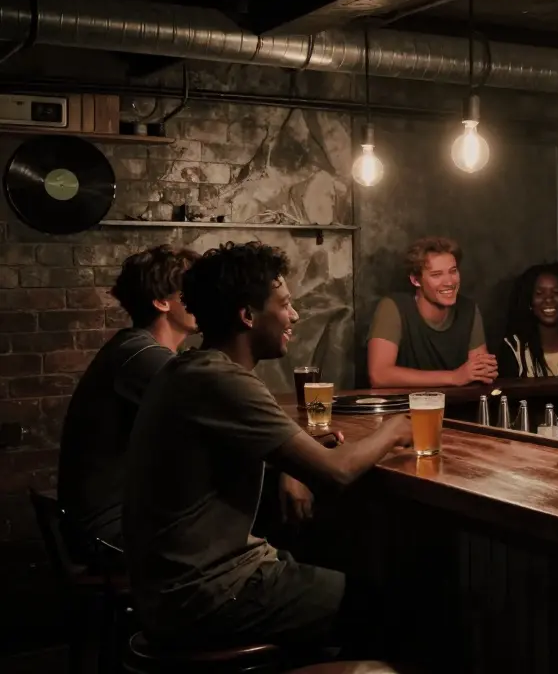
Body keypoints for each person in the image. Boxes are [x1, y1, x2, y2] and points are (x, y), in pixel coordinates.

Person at [124, 241, 413, 649]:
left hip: (174, 589)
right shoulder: (220, 380)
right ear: (247, 315)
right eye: (285, 304)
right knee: (397, 606)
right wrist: (398, 428)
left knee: (335, 557)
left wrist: (293, 460)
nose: (294, 316)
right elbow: (337, 472)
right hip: (206, 595)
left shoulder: (190, 370)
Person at [57, 245, 198, 552]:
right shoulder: (144, 358)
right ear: (162, 301)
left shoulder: (136, 348)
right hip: (109, 531)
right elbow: (220, 419)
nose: (204, 298)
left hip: (110, 518)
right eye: (193, 289)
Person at [366, 236, 497, 387]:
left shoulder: (468, 309)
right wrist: (454, 377)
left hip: (459, 406)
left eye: (453, 271)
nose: (449, 282)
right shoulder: (394, 307)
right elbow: (379, 375)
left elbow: (480, 373)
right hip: (406, 408)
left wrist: (485, 371)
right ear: (416, 280)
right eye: (437, 275)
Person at [498, 262, 558, 378]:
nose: (548, 299)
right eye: (539, 293)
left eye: (556, 293)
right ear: (530, 302)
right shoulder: (514, 349)